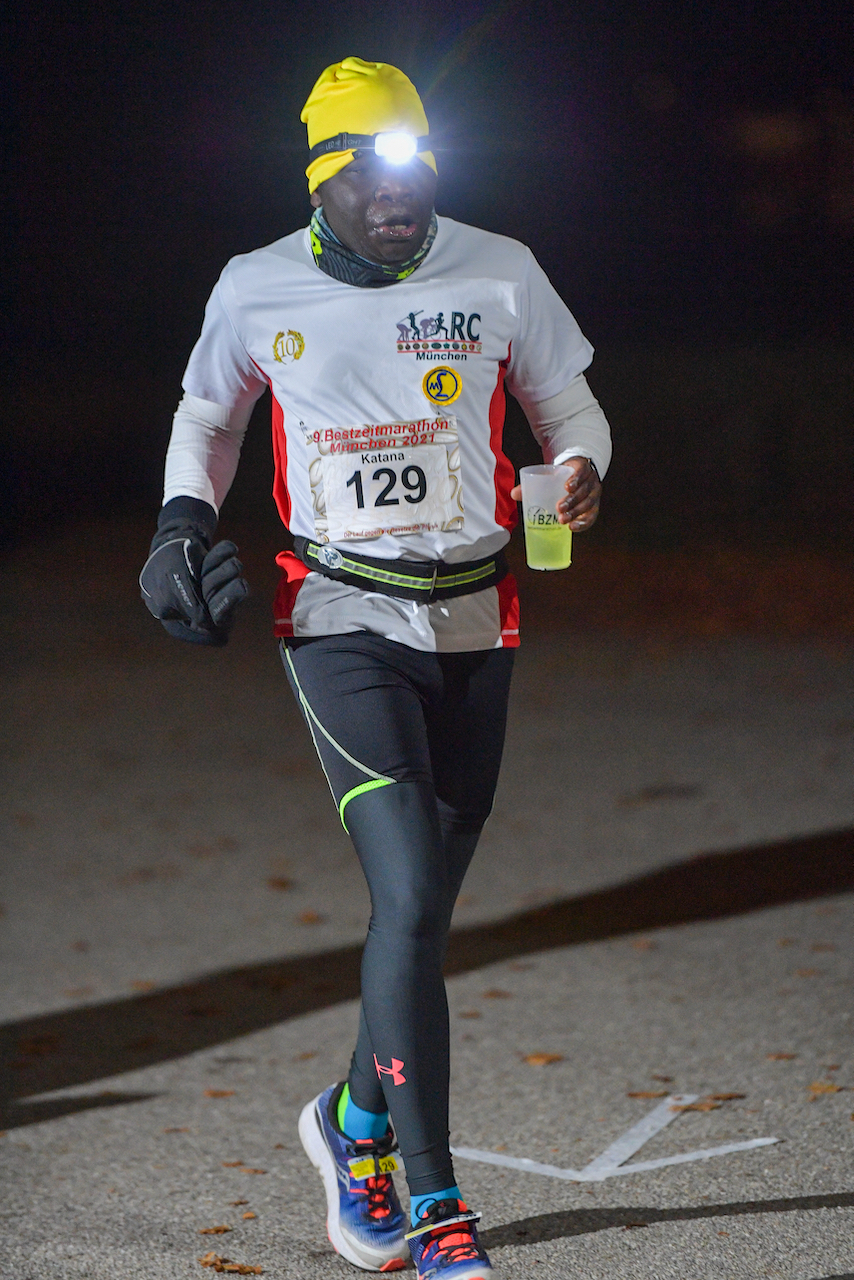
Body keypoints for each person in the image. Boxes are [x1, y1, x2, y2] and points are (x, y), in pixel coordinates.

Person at [140, 57, 611, 1280]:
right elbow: (209, 413)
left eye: (412, 170)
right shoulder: (256, 287)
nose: (395, 196)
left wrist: (576, 470)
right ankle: (434, 1201)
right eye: (365, 174)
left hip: (477, 613)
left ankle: (348, 1119)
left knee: (424, 912)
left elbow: (570, 403)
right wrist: (180, 524)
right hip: (338, 611)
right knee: (404, 898)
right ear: (321, 178)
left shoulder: (498, 267)